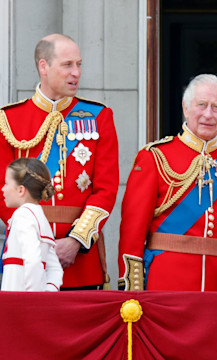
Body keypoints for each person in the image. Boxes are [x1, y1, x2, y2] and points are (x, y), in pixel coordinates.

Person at [118, 74, 217, 291]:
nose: (208, 114)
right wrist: (133, 291)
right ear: (186, 108)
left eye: (216, 107)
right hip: (165, 286)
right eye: (202, 105)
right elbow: (132, 233)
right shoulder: (155, 157)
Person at [0, 34, 119, 290]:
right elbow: (3, 191)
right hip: (25, 256)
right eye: (67, 65)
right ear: (44, 66)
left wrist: (76, 241)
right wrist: (36, 241)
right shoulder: (8, 120)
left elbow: (106, 190)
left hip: (81, 262)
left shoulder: (100, 117)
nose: (76, 72)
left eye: (79, 64)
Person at [2, 158, 62, 291]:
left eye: (6, 184)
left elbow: (33, 260)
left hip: (18, 303)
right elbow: (55, 269)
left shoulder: (22, 215)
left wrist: (31, 299)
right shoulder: (41, 218)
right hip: (29, 304)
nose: (2, 189)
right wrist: (47, 292)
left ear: (21, 190)